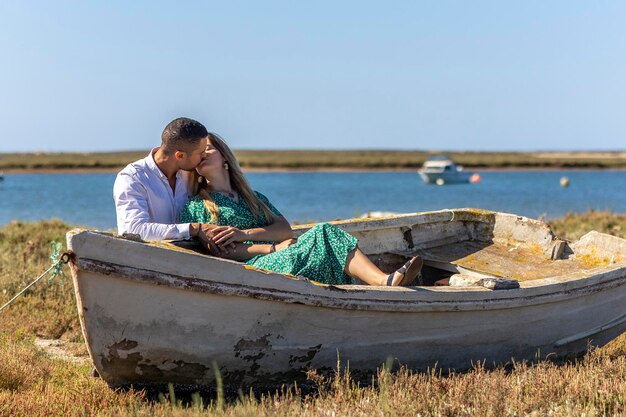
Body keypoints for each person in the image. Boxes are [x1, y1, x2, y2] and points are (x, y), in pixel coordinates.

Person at [180, 133, 422, 286]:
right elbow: (222, 252)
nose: (202, 156)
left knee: (325, 232)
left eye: (207, 149)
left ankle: (380, 281)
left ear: (224, 156)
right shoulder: (199, 206)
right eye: (197, 154)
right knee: (324, 234)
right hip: (252, 270)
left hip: (277, 256)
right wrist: (271, 248)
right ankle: (381, 281)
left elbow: (283, 228)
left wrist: (244, 234)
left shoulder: (253, 197)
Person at [113, 117, 220, 247]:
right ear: (180, 156)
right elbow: (134, 230)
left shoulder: (190, 173)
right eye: (201, 152)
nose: (204, 156)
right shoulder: (132, 178)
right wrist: (195, 229)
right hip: (148, 259)